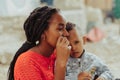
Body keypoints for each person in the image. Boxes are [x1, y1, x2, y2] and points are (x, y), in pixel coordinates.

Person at [8, 6, 71, 80]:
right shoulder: (27, 62)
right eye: (60, 29)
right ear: (42, 33)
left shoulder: (56, 55)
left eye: (65, 28)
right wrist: (61, 64)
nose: (66, 34)